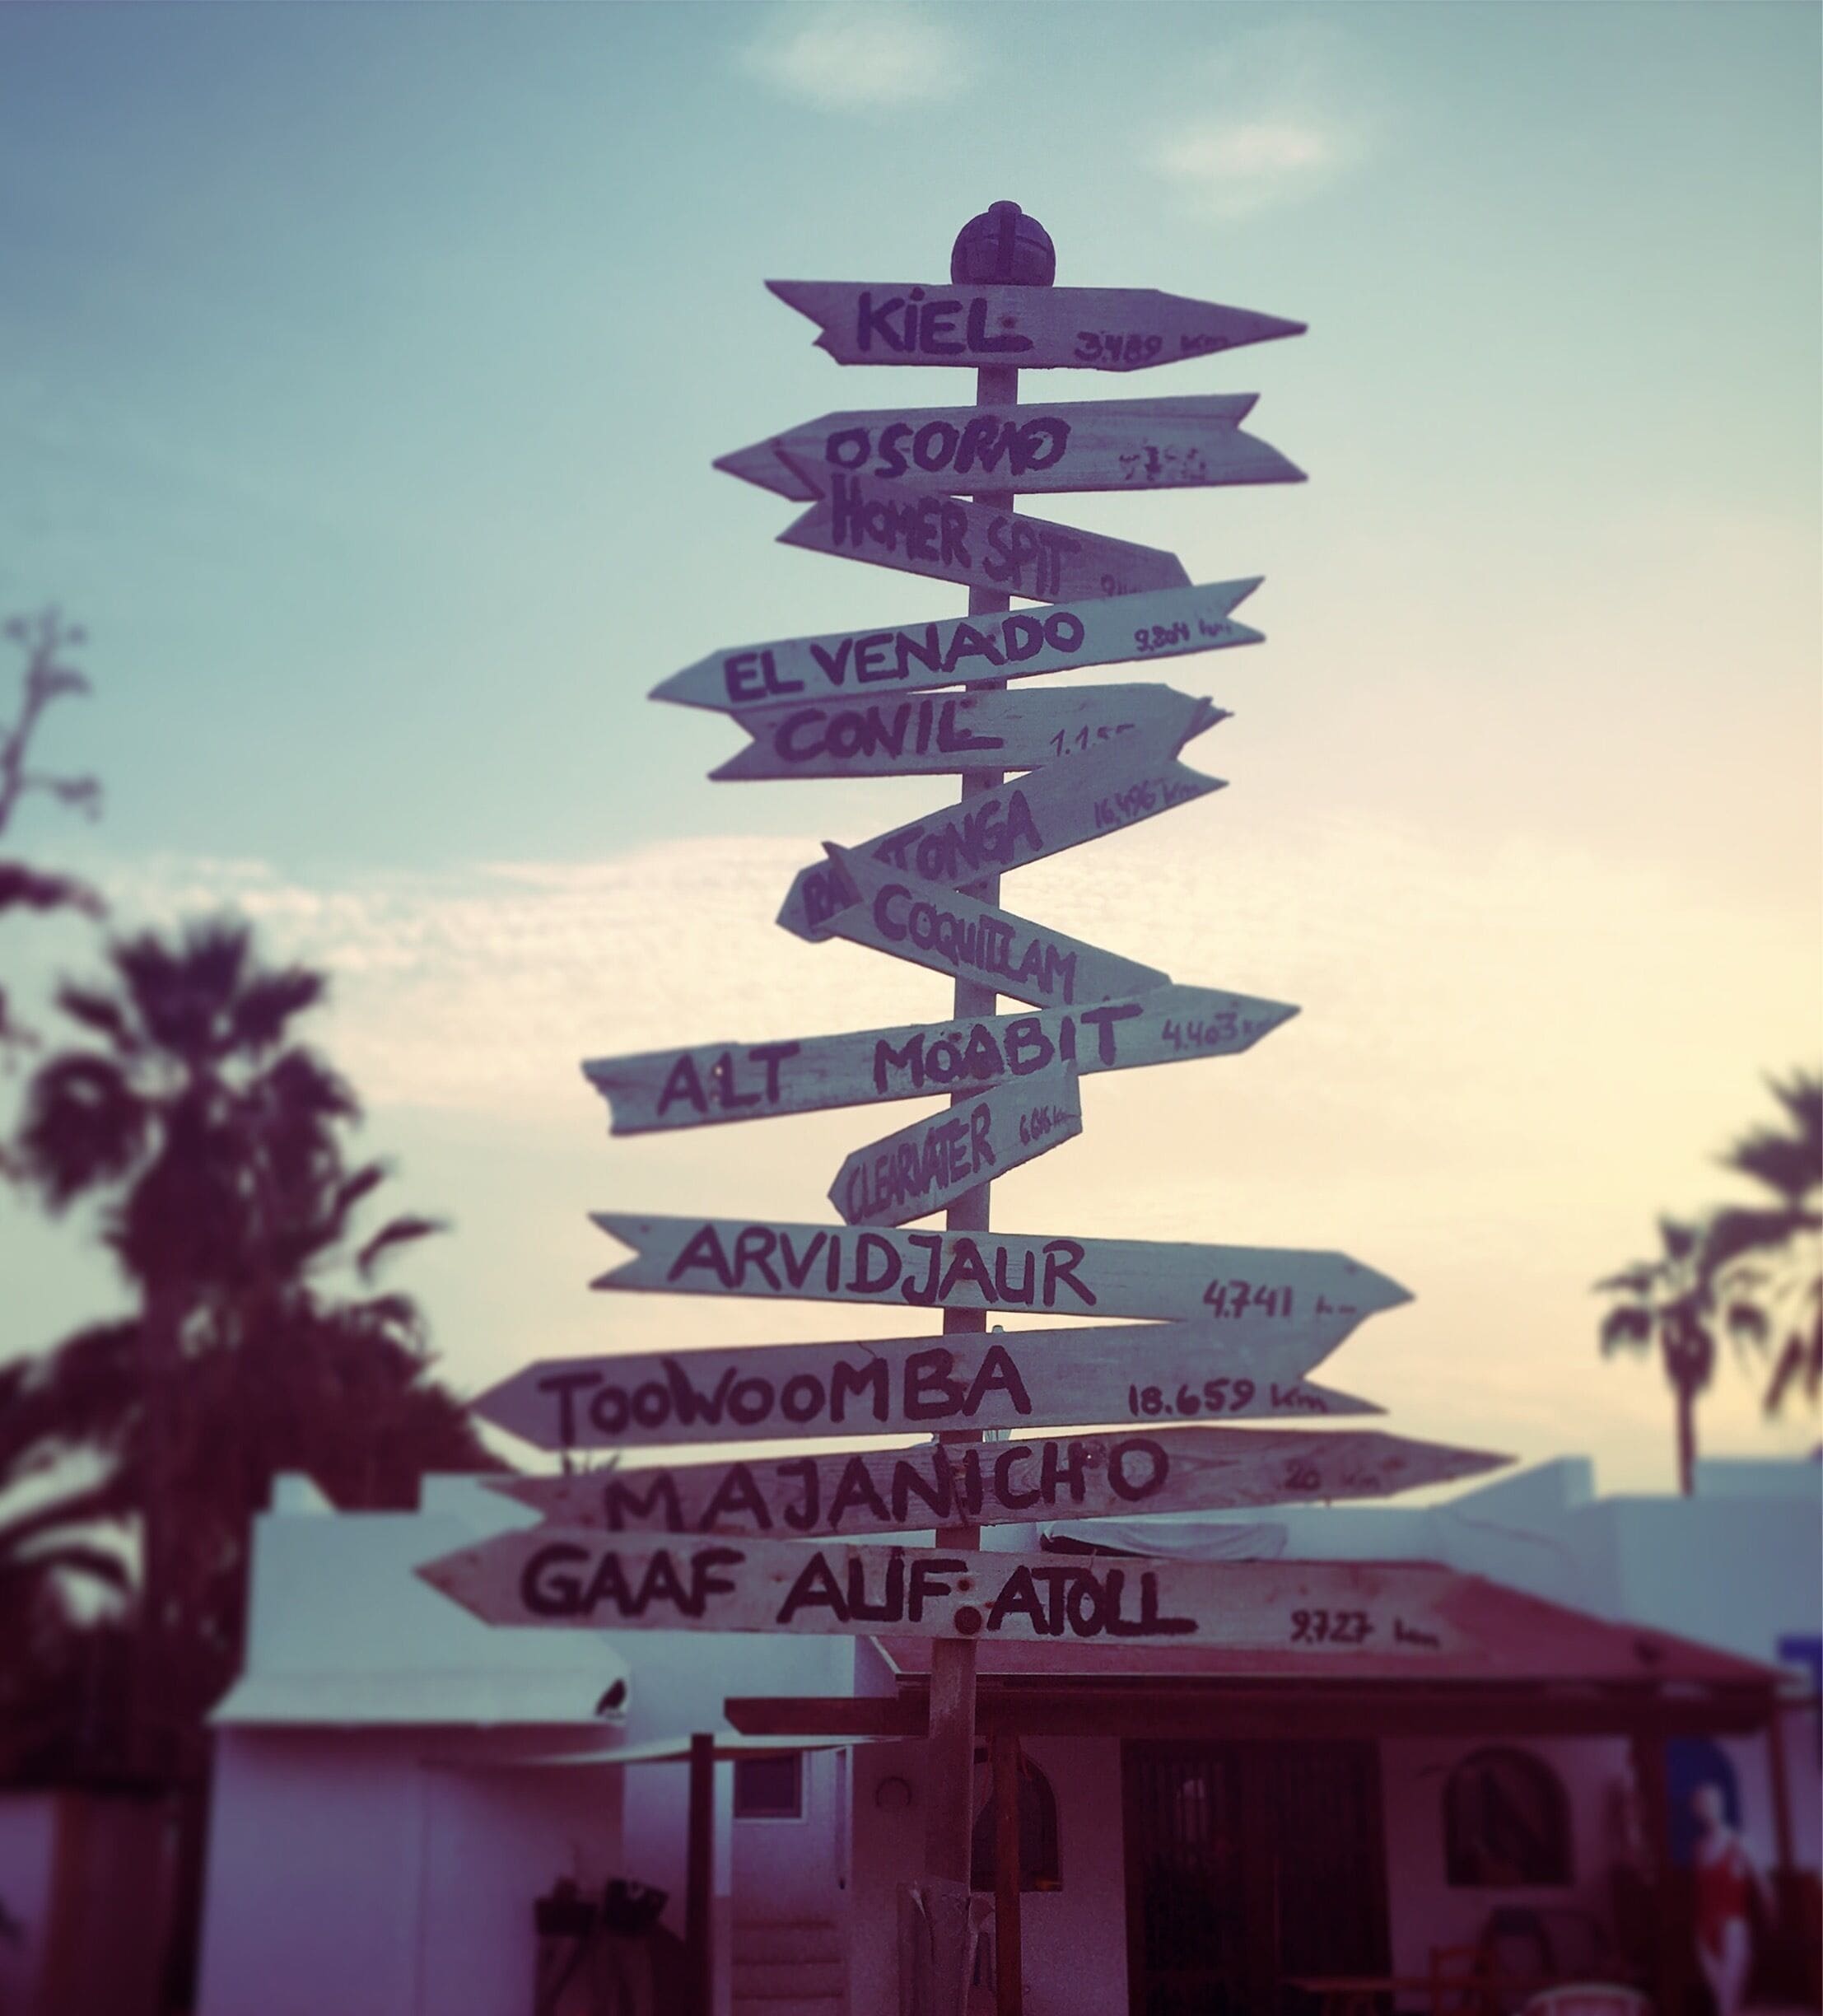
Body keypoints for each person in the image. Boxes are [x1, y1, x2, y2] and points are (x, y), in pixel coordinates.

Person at [1690, 1781, 1767, 2016]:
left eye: (1713, 1801)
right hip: (1704, 1930)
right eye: (1703, 1803)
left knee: (1727, 2004)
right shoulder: (1699, 1848)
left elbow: (1765, 1888)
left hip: (1733, 1928)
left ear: (1722, 1805)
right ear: (1697, 1810)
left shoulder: (1741, 1843)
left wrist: (1768, 1928)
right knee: (1721, 2002)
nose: (1709, 1808)